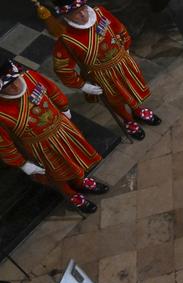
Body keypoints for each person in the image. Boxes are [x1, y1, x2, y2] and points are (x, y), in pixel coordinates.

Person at [0, 57, 108, 214]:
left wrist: (63, 106)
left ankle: (80, 182)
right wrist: (22, 163)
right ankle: (72, 195)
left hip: (61, 129)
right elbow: (4, 143)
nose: (15, 86)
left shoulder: (30, 77)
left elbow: (51, 90)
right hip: (40, 146)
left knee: (73, 158)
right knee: (56, 174)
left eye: (15, 80)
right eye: (7, 86)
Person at [51, 0, 161, 142]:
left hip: (121, 61)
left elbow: (119, 28)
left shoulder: (100, 12)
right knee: (115, 99)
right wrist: (83, 85)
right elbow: (62, 68)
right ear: (66, 15)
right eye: (76, 13)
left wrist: (126, 47)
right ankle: (128, 120)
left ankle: (137, 110)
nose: (83, 15)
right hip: (102, 75)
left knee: (131, 88)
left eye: (82, 9)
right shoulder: (66, 39)